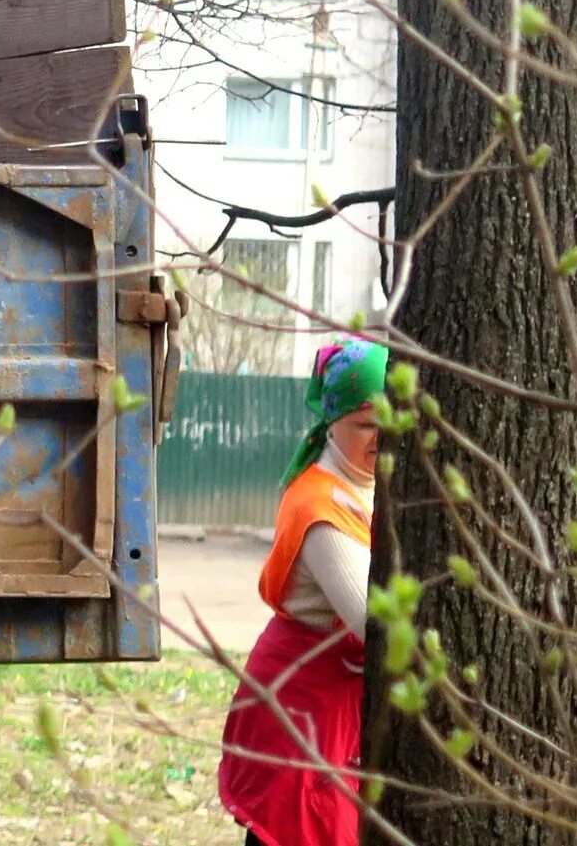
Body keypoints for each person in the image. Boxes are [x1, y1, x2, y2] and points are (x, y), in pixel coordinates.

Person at [217, 338, 386, 846]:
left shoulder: (370, 485)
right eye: (367, 423)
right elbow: (375, 627)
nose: (385, 436)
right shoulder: (321, 508)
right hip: (300, 715)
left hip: (334, 713)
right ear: (332, 421)